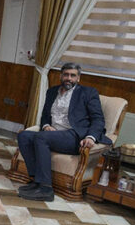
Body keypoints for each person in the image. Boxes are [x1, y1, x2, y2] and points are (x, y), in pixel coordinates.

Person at [17, 63, 109, 201]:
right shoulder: (52, 92)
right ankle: (37, 181)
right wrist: (46, 126)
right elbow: (45, 116)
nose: (69, 78)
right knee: (24, 136)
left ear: (78, 78)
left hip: (74, 136)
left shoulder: (88, 93)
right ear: (61, 76)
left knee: (41, 138)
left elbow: (98, 119)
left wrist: (91, 137)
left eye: (73, 75)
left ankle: (46, 189)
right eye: (66, 74)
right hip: (53, 134)